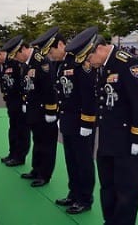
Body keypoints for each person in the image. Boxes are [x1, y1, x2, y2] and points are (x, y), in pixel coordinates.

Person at [65, 26, 138, 225]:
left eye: (88, 58)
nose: (88, 63)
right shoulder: (104, 66)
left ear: (98, 49)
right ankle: (110, 220)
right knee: (108, 185)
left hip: (128, 141)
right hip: (108, 138)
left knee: (126, 189)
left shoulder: (129, 65)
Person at [31, 27, 96, 213]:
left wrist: (87, 123)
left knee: (83, 161)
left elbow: (89, 96)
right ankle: (73, 194)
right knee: (71, 160)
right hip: (68, 120)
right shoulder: (63, 64)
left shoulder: (81, 63)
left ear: (61, 45)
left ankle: (84, 199)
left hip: (81, 122)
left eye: (51, 51)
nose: (50, 56)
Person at [5, 36, 58, 187]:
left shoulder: (41, 61)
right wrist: (24, 103)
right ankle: (36, 169)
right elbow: (27, 86)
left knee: (46, 144)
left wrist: (51, 111)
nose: (15, 58)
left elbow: (49, 88)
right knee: (38, 141)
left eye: (16, 54)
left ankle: (44, 174)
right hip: (33, 110)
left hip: (44, 111)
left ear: (23, 49)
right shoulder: (27, 63)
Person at [0, 41, 29, 167]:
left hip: (20, 100)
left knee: (21, 130)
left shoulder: (15, 61)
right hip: (11, 101)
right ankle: (12, 153)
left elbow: (24, 83)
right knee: (13, 129)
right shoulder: (2, 65)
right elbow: (4, 83)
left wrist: (24, 101)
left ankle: (20, 156)